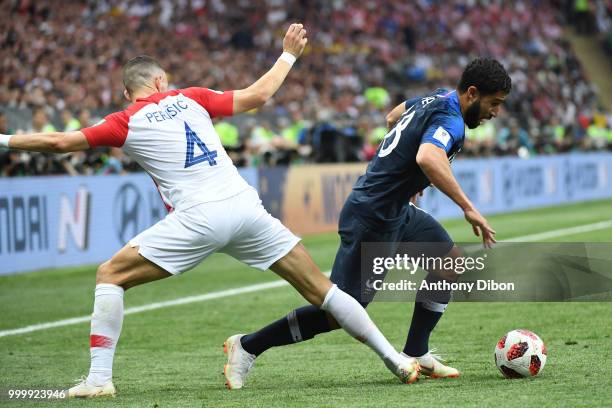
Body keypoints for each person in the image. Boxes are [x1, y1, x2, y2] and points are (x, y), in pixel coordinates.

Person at [0, 24, 419, 397]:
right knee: (323, 291)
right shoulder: (191, 97)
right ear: (163, 80)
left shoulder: (124, 121)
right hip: (245, 208)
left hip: (199, 218)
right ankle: (395, 359)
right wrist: (289, 53)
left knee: (110, 275)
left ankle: (98, 379)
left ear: (128, 92)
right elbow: (258, 95)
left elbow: (58, 143)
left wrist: (3, 140)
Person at [227, 57, 511, 386]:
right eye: (494, 103)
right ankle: (248, 346)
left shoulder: (439, 97)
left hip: (396, 211)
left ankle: (417, 352)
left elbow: (395, 116)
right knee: (341, 312)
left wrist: (402, 178)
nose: (496, 112)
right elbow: (427, 156)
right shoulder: (452, 119)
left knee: (449, 262)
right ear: (473, 93)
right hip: (372, 216)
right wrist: (467, 207)